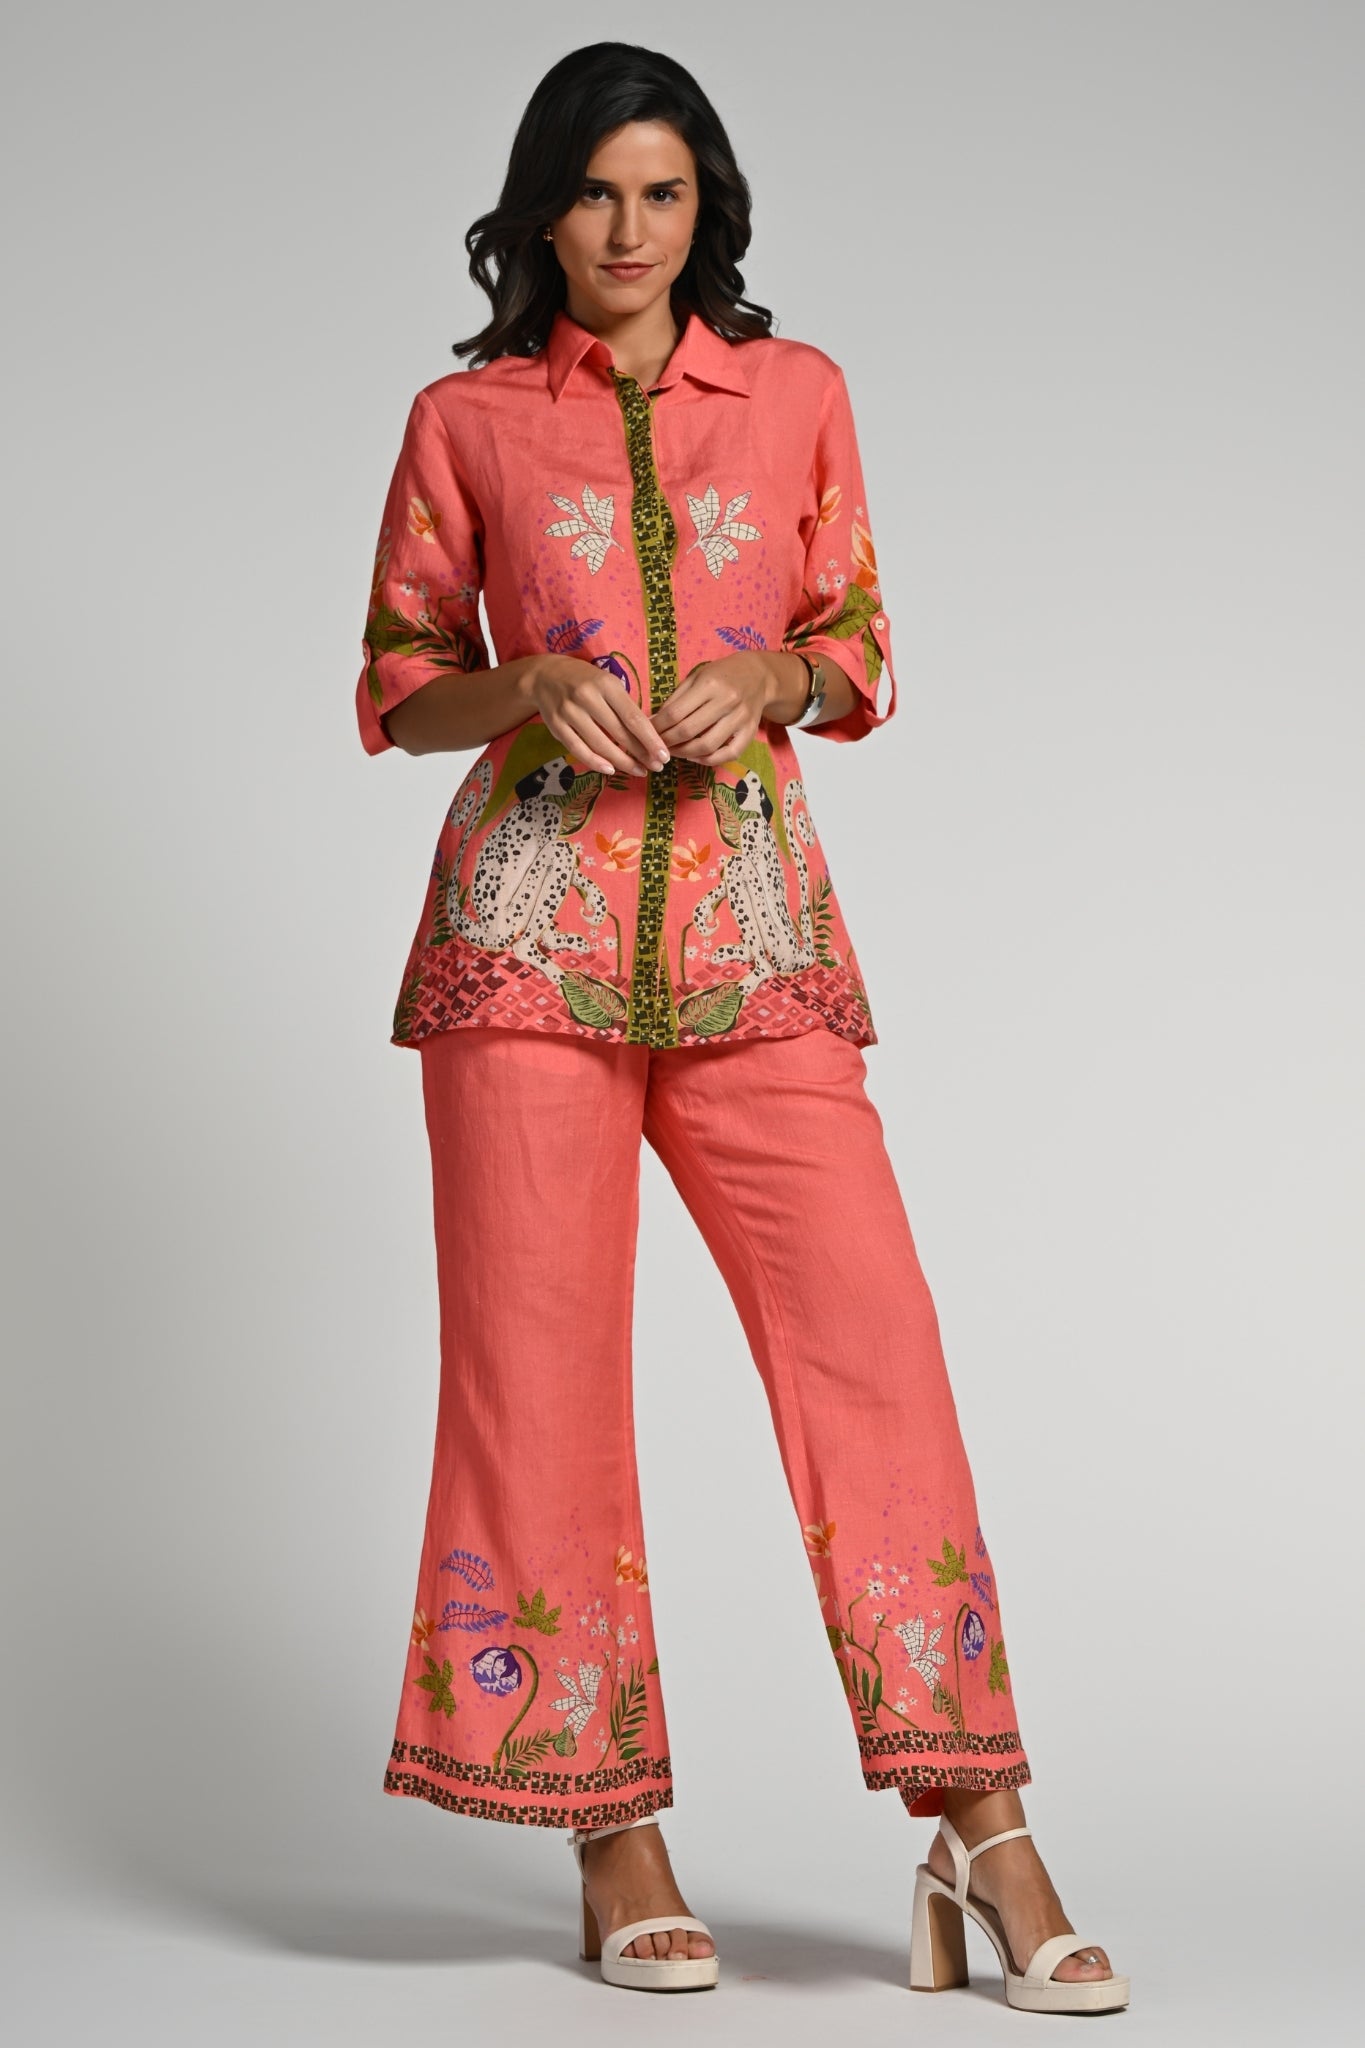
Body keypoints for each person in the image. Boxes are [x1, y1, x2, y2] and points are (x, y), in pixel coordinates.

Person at [354, 40, 1128, 2015]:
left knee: (870, 1350)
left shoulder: (793, 397)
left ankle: (980, 1823)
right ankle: (606, 1828)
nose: (627, 231)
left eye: (663, 193)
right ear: (540, 211)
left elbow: (858, 641)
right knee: (537, 1378)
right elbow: (399, 680)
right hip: (521, 944)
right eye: (594, 193)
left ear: (706, 209)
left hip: (752, 932)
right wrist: (530, 684)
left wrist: (774, 675)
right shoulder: (465, 419)